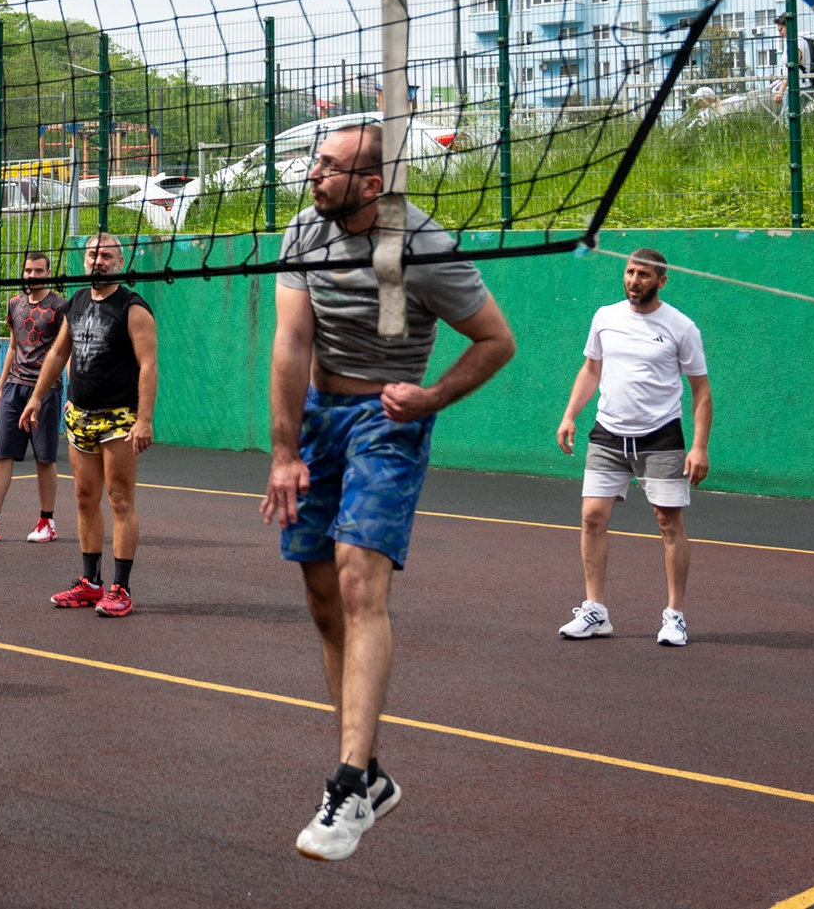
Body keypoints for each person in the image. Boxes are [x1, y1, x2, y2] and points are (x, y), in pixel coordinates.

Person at [262, 123, 517, 863]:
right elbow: (291, 341)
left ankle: (345, 785)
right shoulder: (304, 228)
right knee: (321, 599)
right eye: (314, 162)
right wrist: (284, 451)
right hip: (318, 419)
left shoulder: (424, 248)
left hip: (386, 419)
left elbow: (497, 340)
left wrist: (433, 396)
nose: (313, 175)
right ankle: (372, 774)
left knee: (356, 580)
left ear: (372, 185)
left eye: (329, 167)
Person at [554, 247, 712, 647]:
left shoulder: (681, 327)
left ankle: (674, 617)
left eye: (643, 275)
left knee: (667, 522)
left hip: (660, 436)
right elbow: (592, 368)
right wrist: (571, 414)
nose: (633, 280)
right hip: (608, 434)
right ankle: (595, 611)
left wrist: (699, 446)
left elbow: (701, 391)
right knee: (592, 517)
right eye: (629, 272)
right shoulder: (605, 317)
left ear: (661, 280)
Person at [19, 233, 156, 617]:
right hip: (79, 415)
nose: (98, 261)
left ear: (119, 261)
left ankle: (121, 589)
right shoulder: (76, 302)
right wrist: (36, 397)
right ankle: (91, 583)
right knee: (83, 498)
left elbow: (148, 365)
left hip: (118, 418)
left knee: (120, 499)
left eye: (107, 256)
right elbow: (59, 351)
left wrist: (144, 420)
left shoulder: (133, 307)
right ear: (84, 261)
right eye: (93, 255)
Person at [0, 250, 65, 543]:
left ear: (48, 272)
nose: (32, 275)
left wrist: (75, 390)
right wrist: (2, 385)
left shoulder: (59, 306)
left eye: (38, 271)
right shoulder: (14, 303)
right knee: (2, 455)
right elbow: (12, 346)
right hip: (14, 389)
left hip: (45, 390)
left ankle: (47, 522)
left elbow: (64, 350)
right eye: (28, 271)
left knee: (44, 458)